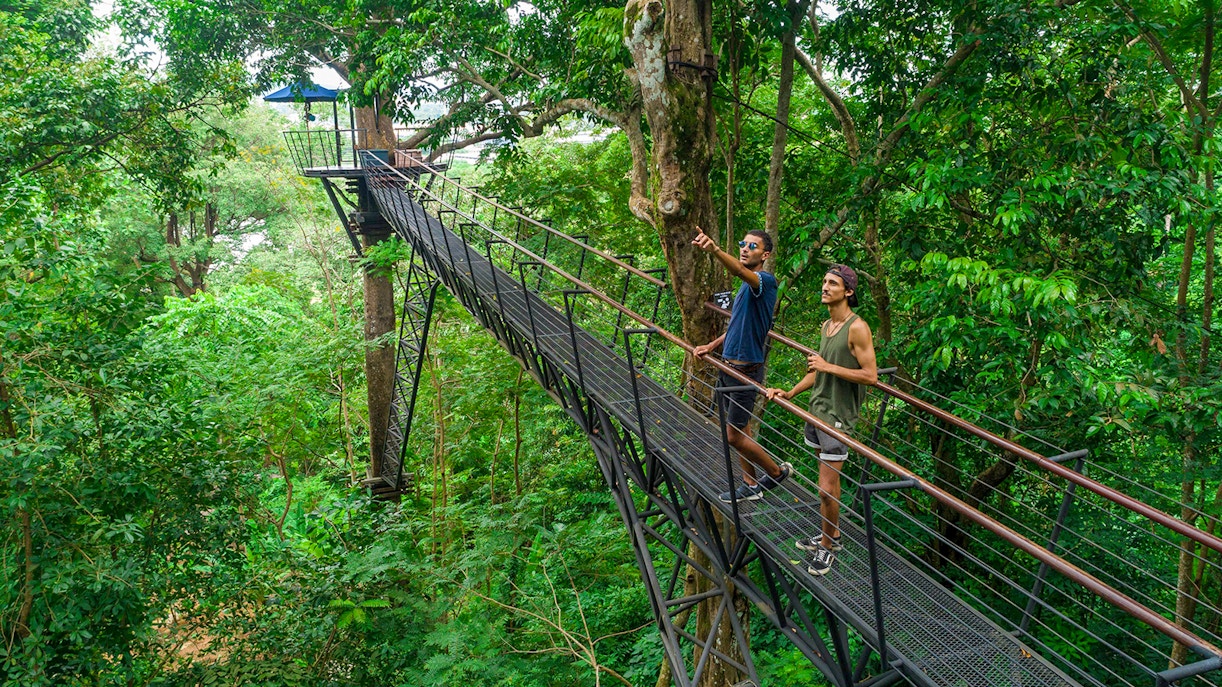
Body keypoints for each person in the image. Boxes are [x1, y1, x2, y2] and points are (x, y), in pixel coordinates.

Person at [767, 265, 877, 576]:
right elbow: (818, 371)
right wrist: (791, 392)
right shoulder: (827, 325)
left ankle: (827, 548)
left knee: (826, 489)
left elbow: (870, 376)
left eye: (833, 283)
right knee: (827, 487)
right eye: (824, 282)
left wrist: (828, 367)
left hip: (838, 418)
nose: (825, 287)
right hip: (816, 411)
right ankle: (832, 534)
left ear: (848, 291)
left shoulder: (858, 328)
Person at [691, 227, 793, 502]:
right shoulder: (746, 288)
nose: (745, 249)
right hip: (727, 367)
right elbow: (736, 324)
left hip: (745, 372)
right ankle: (749, 484)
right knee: (742, 429)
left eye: (752, 246)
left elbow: (738, 270)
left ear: (765, 255)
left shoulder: (764, 282)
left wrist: (714, 249)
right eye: (743, 244)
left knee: (733, 437)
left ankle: (776, 473)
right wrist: (711, 346)